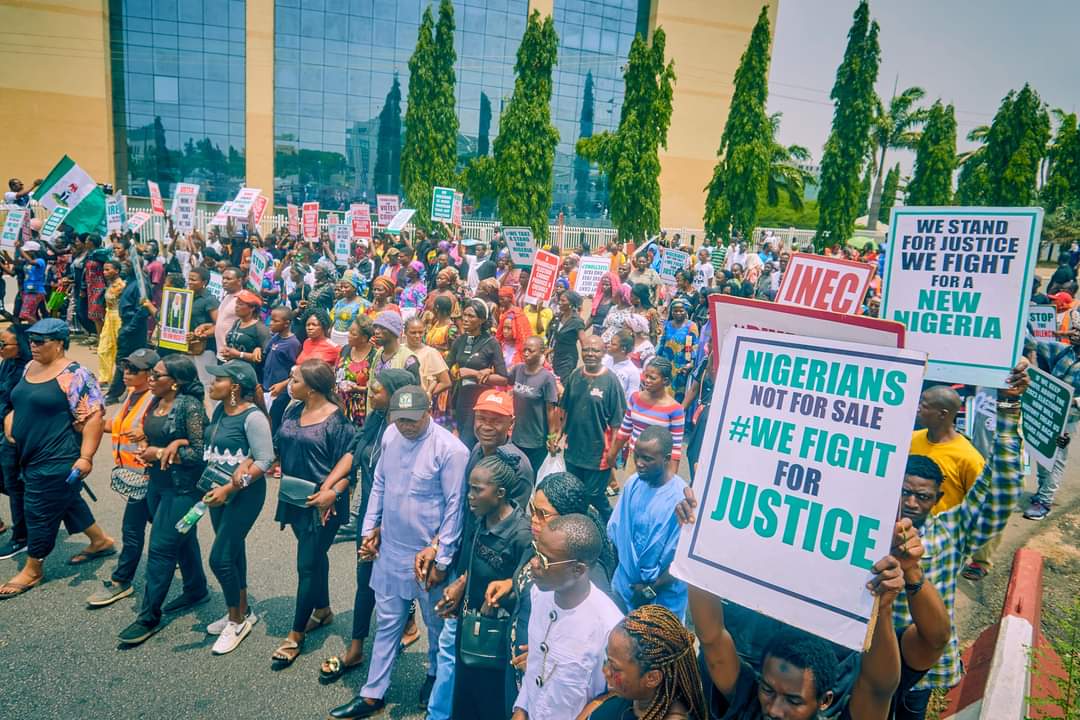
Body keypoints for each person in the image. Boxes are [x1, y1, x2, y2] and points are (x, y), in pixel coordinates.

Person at [890, 362, 1028, 719]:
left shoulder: (951, 530)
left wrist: (1009, 411)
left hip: (917, 676)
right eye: (904, 492)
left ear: (937, 499)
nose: (910, 502)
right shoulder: (867, 528)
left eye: (922, 497)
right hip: (862, 661)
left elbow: (1003, 487)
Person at [332, 386, 468, 719]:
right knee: (389, 622)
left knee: (436, 627)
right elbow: (379, 484)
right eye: (400, 419)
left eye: (413, 419)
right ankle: (372, 693)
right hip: (390, 551)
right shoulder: (391, 435)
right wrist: (368, 531)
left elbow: (455, 508)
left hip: (428, 559)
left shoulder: (451, 450)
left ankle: (435, 676)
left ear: (429, 411)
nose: (406, 426)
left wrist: (444, 558)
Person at [318, 369, 419, 685]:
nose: (369, 393)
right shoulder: (375, 419)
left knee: (401, 578)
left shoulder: (410, 430)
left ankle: (410, 625)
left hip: (401, 520)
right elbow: (355, 452)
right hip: (370, 515)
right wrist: (330, 485)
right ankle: (357, 648)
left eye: (376, 390)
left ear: (395, 394)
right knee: (366, 579)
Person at [0, 319, 112, 599]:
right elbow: (20, 401)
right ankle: (100, 541)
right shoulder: (30, 366)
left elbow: (94, 418)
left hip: (57, 456)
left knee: (37, 509)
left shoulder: (76, 375)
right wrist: (11, 421)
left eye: (41, 341)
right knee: (67, 500)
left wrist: (86, 457)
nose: (33, 346)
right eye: (32, 340)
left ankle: (33, 568)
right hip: (27, 452)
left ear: (60, 343)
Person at [270, 359, 357, 669]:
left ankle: (296, 635)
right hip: (294, 500)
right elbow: (280, 445)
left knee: (306, 564)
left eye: (294, 380)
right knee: (315, 556)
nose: (289, 383)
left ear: (311, 388)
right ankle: (322, 610)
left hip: (324, 506)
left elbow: (351, 470)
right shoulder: (292, 409)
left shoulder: (337, 422)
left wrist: (330, 492)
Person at [117, 355, 209, 643]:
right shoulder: (156, 401)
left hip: (183, 491)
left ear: (176, 383)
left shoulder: (190, 407)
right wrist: (146, 442)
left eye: (157, 376)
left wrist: (161, 452)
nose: (151, 380)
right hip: (156, 484)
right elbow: (155, 435)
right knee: (184, 538)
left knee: (161, 548)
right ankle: (196, 589)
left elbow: (200, 453)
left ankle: (149, 617)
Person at [436, 453, 532, 720]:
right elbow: (471, 565)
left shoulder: (521, 535)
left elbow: (524, 592)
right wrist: (459, 587)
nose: (470, 495)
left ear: (500, 493)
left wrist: (501, 598)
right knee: (464, 696)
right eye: (469, 488)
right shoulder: (480, 519)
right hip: (469, 627)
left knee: (489, 703)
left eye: (477, 490)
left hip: (496, 639)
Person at [511, 514, 624, 720]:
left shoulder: (609, 626)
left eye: (545, 560)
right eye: (536, 551)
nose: (534, 563)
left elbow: (618, 693)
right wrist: (521, 708)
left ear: (578, 570)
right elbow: (537, 663)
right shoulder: (539, 594)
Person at [201, 360, 275, 655]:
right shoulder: (220, 409)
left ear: (234, 387)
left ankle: (236, 621)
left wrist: (231, 487)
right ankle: (243, 609)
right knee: (232, 552)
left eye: (217, 380)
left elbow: (264, 460)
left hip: (242, 496)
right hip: (216, 492)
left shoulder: (253, 417)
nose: (211, 384)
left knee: (219, 559)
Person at [85, 349, 158, 608]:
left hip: (150, 478)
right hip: (135, 478)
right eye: (124, 368)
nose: (126, 374)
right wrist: (87, 422)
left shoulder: (154, 400)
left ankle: (121, 581)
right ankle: (193, 580)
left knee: (134, 530)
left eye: (133, 370)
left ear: (150, 374)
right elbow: (117, 427)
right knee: (169, 532)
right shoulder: (132, 395)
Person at [607, 426, 688, 618]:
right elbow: (618, 533)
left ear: (667, 459)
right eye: (637, 456)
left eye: (648, 459)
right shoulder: (633, 483)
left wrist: (648, 591)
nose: (640, 463)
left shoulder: (681, 500)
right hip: (625, 588)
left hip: (662, 599)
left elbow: (681, 562)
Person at [577, 604, 707, 720]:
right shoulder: (633, 696)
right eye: (607, 660)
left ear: (652, 678)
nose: (605, 671)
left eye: (615, 668)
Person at [559, 335, 627, 522]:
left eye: (595, 350)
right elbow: (564, 410)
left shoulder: (611, 382)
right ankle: (578, 531)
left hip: (598, 455)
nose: (590, 354)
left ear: (603, 352)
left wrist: (613, 454)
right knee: (574, 493)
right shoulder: (575, 376)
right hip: (573, 450)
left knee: (595, 497)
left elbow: (617, 423)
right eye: (586, 349)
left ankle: (612, 529)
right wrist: (556, 437)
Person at [1023, 327, 1080, 520]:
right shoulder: (1064, 350)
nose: (1075, 333)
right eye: (1074, 329)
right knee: (1042, 452)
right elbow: (1032, 344)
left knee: (1057, 459)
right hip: (1049, 413)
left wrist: (1072, 401)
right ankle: (1041, 491)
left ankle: (1045, 501)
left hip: (1068, 419)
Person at [607, 358, 685, 476]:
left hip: (657, 465)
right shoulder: (635, 398)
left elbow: (675, 447)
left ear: (665, 381)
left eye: (652, 378)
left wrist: (671, 477)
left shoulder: (675, 409)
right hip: (634, 459)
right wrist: (612, 454)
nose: (647, 380)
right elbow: (624, 431)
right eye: (646, 376)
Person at [448, 300, 508, 449]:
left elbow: (503, 379)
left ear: (481, 320)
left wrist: (473, 373)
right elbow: (445, 367)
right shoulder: (460, 341)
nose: (466, 319)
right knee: (459, 436)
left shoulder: (491, 343)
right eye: (464, 315)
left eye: (471, 316)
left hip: (479, 399)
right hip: (460, 398)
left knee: (466, 442)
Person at [0, 321, 31, 560]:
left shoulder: (29, 369)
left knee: (14, 485)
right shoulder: (7, 363)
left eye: (3, 344)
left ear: (18, 345)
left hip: (15, 435)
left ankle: (21, 536)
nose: (0, 347)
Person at [507, 336, 561, 474]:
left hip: (536, 440)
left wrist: (551, 437)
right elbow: (503, 379)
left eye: (530, 351)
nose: (526, 353)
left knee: (532, 475)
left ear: (541, 352)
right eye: (524, 350)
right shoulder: (518, 369)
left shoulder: (546, 378)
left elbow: (551, 411)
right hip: (517, 436)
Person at [262, 305, 301, 430]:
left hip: (280, 390)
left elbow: (294, 369)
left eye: (275, 321)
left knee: (274, 420)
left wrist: (284, 384)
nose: (271, 323)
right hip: (268, 385)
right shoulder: (275, 338)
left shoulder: (293, 343)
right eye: (271, 320)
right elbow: (265, 353)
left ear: (286, 323)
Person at [337, 314, 378, 425]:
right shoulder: (345, 349)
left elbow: (377, 387)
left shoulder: (374, 356)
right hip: (341, 404)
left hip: (361, 409)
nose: (348, 336)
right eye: (349, 331)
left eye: (353, 334)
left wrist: (357, 388)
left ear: (364, 338)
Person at [185, 266, 220, 392]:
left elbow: (219, 325)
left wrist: (200, 335)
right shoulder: (187, 297)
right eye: (189, 279)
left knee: (207, 382)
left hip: (205, 349)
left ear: (204, 282)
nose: (189, 282)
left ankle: (212, 410)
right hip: (188, 347)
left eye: (193, 280)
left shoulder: (210, 300)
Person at [221, 289, 270, 379]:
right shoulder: (237, 322)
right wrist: (227, 352)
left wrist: (239, 354)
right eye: (236, 303)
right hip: (231, 370)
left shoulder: (260, 329)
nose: (236, 307)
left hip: (247, 376)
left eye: (241, 304)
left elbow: (262, 357)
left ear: (252, 308)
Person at [657, 298, 698, 403]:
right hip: (666, 364)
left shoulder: (691, 326)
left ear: (686, 311)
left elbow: (694, 346)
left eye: (681, 310)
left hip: (681, 367)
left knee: (677, 395)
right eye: (675, 311)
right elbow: (662, 342)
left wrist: (691, 363)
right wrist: (657, 357)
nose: (678, 313)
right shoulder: (668, 324)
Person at [404, 316, 451, 406]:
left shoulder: (431, 353)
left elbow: (446, 382)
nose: (417, 336)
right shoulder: (400, 350)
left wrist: (427, 394)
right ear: (405, 332)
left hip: (419, 404)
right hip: (401, 400)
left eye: (420, 332)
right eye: (413, 333)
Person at [547, 290, 588, 383]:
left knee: (561, 383)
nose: (560, 303)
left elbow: (584, 343)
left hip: (567, 359)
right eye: (560, 300)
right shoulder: (558, 317)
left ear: (571, 304)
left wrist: (588, 363)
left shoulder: (577, 321)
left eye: (563, 301)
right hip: (554, 356)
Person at [96, 259, 125, 385]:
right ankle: (104, 377)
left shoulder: (122, 286)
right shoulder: (109, 284)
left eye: (108, 270)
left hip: (118, 317)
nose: (105, 272)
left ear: (117, 271)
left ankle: (119, 379)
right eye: (104, 270)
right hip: (109, 317)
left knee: (118, 348)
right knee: (103, 348)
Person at [213, 266, 243, 362]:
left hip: (232, 355)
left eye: (228, 279)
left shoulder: (242, 299)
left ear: (239, 281)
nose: (224, 281)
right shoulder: (227, 296)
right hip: (221, 352)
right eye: (223, 278)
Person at [603, 329, 642, 400]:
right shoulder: (604, 360)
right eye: (610, 342)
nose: (608, 345)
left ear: (623, 349)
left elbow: (631, 397)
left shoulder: (633, 372)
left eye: (613, 344)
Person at [330, 277, 367, 346]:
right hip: (334, 336)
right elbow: (332, 317)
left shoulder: (362, 303)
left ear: (354, 287)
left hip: (349, 338)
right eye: (341, 287)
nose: (343, 289)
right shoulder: (340, 302)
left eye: (346, 287)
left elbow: (363, 324)